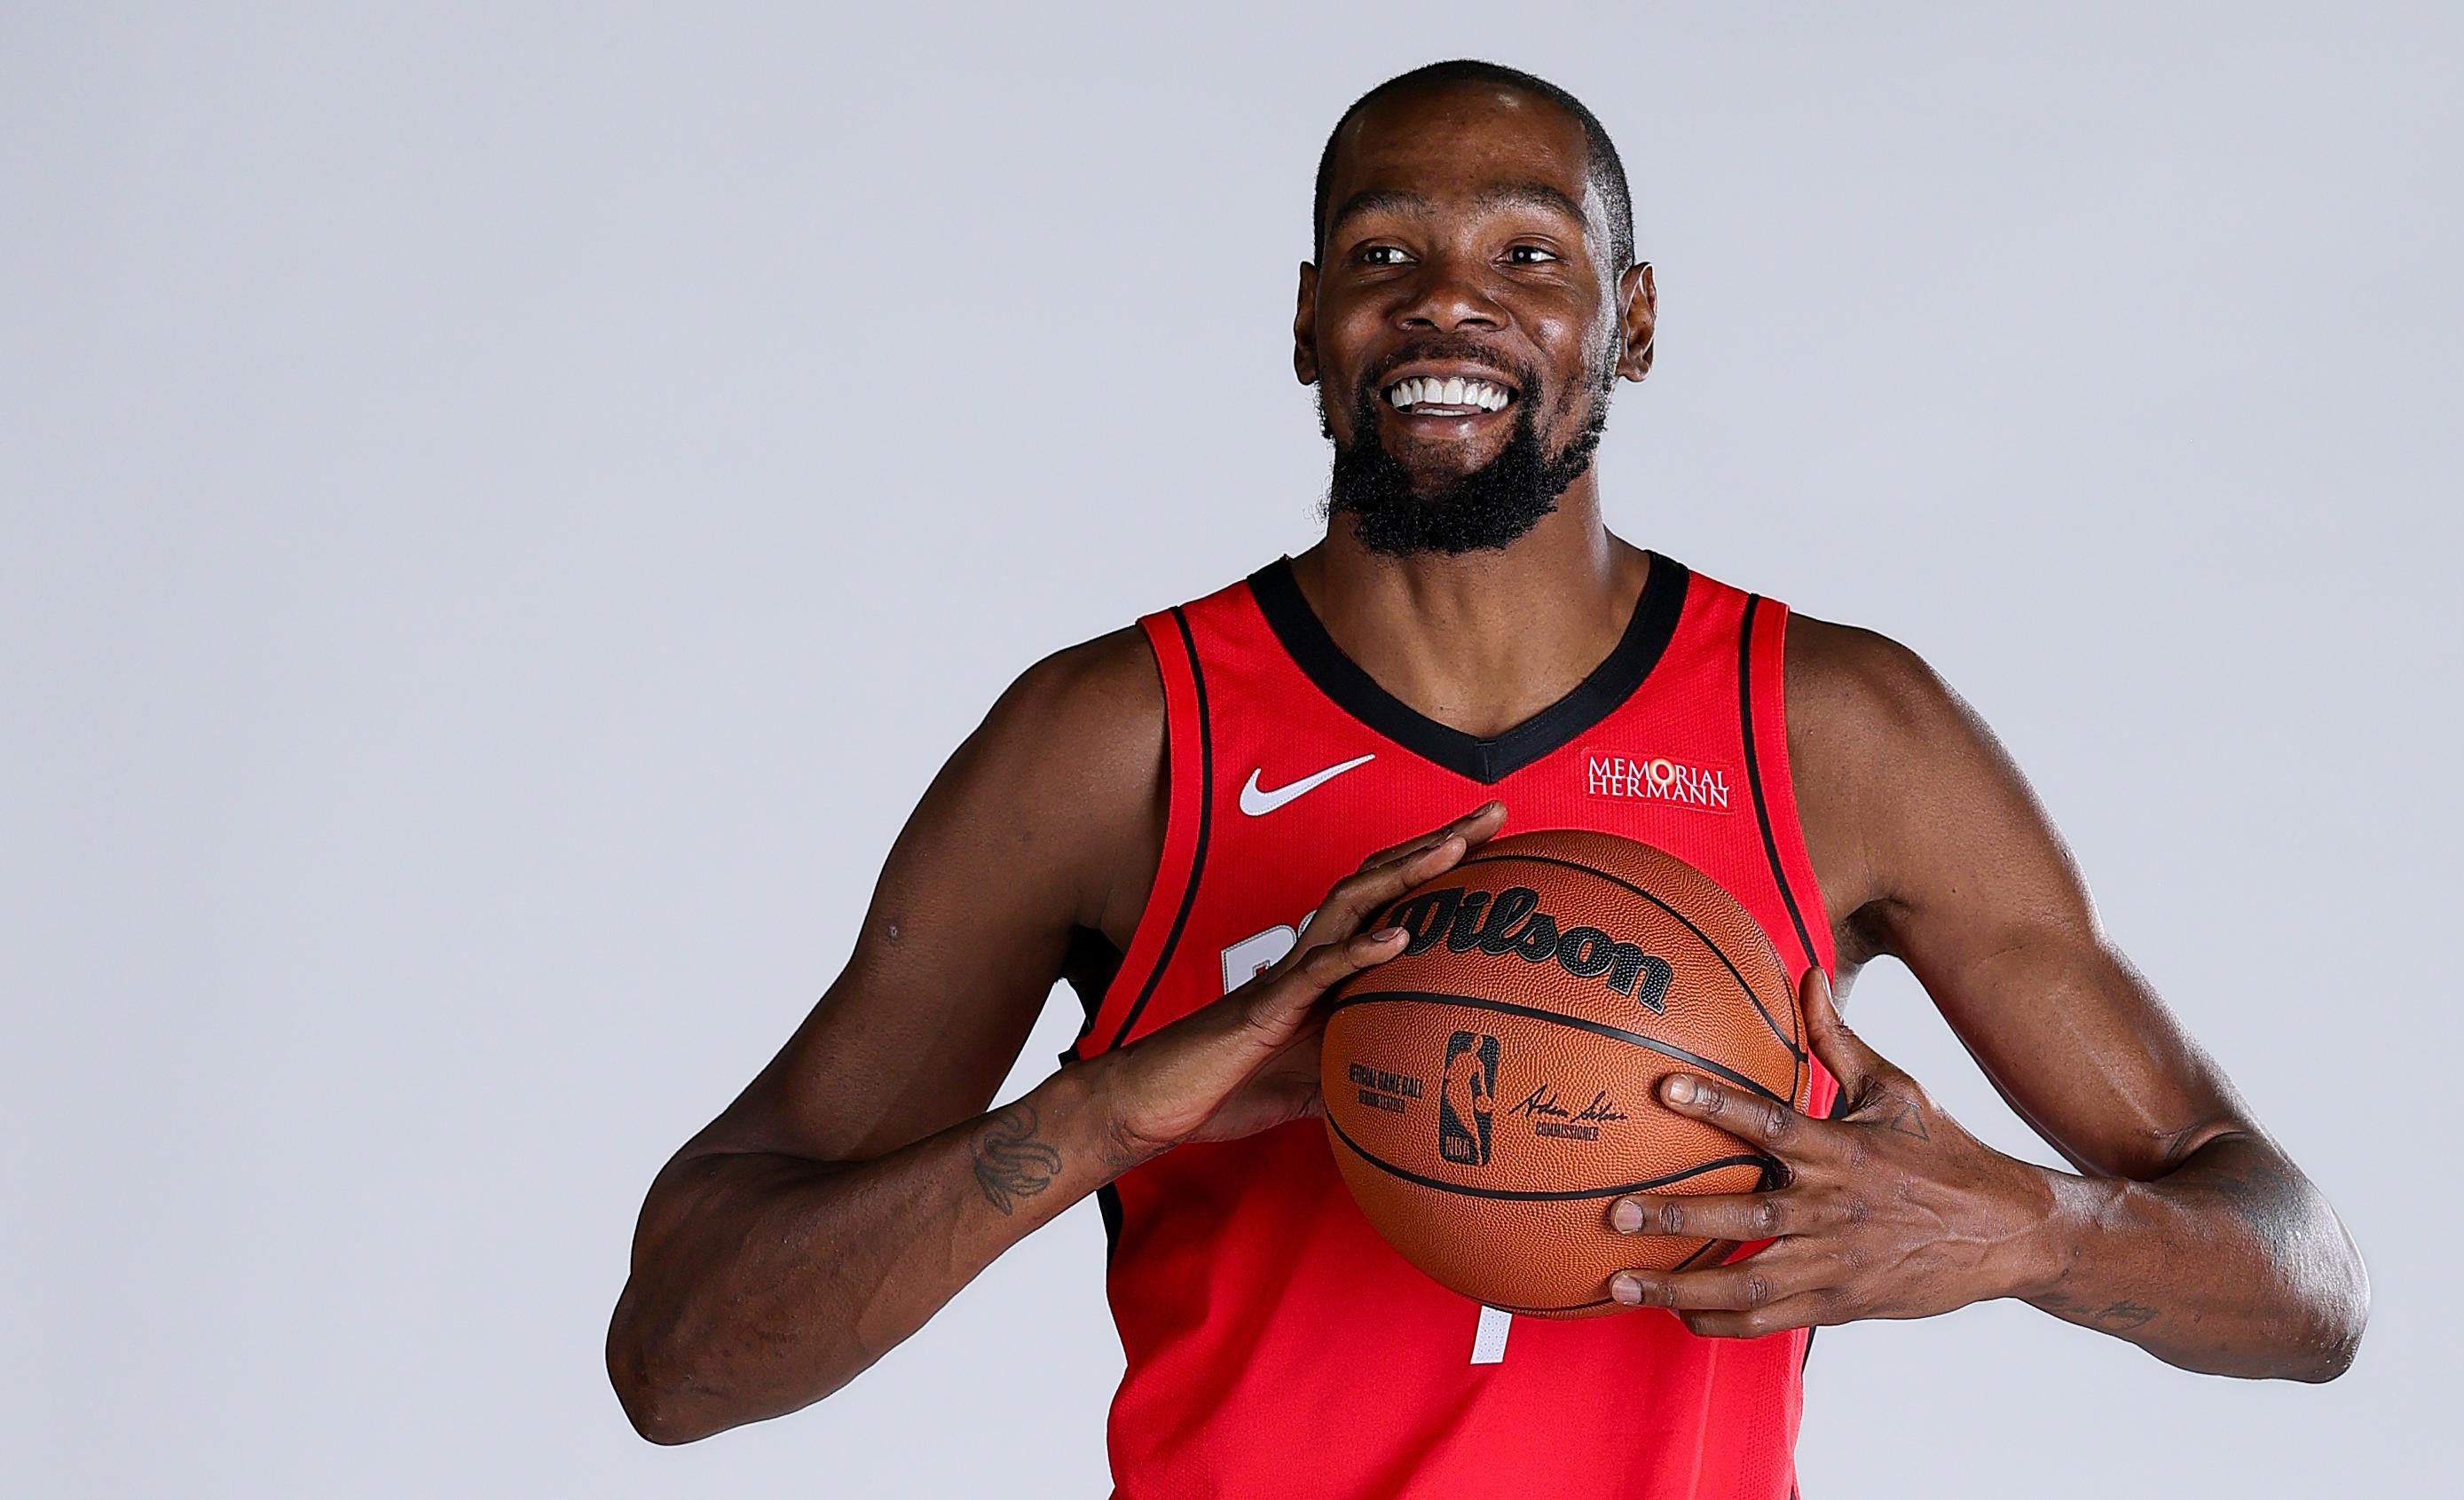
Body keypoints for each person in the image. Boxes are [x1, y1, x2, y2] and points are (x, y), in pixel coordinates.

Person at [605, 59, 2369, 1497]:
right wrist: (1093, 1121)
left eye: (1531, 253)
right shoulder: (1115, 744)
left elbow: (2301, 1287)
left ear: (1637, 319)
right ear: (1308, 322)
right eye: (1383, 254)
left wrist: (2029, 1234)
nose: (1446, 294)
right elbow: (678, 1360)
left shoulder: (1832, 729)